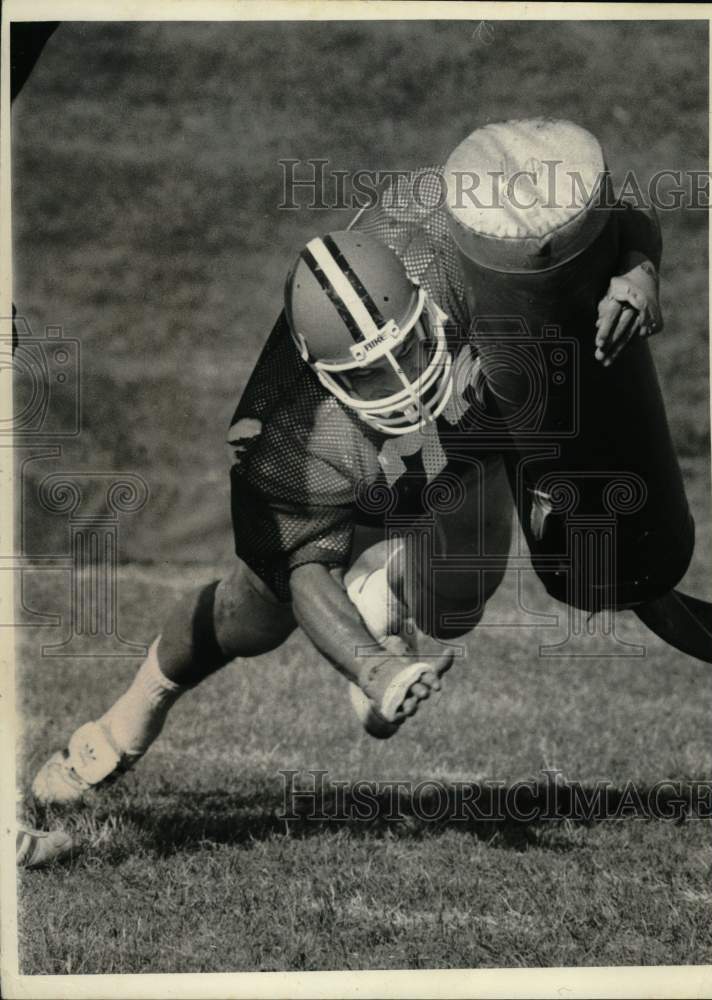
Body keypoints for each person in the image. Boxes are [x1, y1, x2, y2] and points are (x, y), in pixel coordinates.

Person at [32, 127, 663, 806]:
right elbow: (308, 573)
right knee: (256, 615)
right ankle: (125, 724)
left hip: (467, 433)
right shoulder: (290, 433)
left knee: (454, 609)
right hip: (352, 468)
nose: (402, 384)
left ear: (422, 300)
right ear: (320, 374)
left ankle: (385, 589)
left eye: (408, 348)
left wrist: (638, 270)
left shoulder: (469, 235)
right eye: (368, 376)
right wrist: (376, 670)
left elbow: (608, 211)